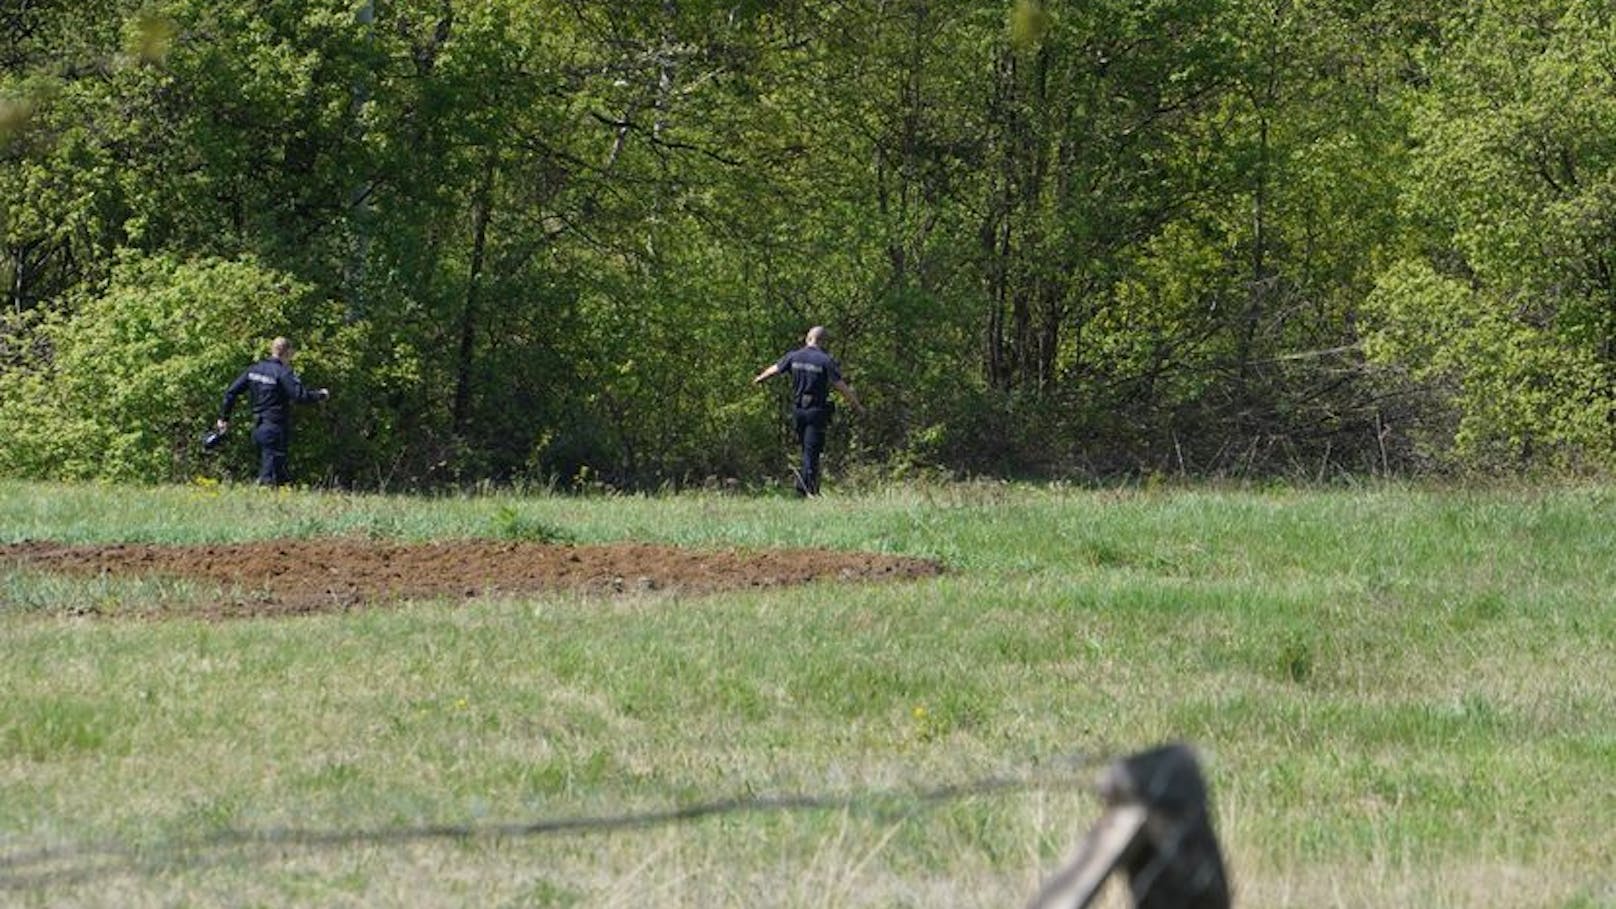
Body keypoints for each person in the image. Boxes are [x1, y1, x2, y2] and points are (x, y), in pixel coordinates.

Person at [752, 325, 863, 496]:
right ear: (823, 341)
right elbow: (841, 386)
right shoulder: (825, 360)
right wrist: (857, 405)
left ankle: (808, 488)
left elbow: (774, 369)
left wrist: (759, 379)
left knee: (806, 449)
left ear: (807, 338)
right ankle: (805, 491)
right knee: (812, 451)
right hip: (816, 411)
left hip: (798, 410)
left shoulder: (794, 356)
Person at [217, 337, 330, 486]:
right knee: (269, 476)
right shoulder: (283, 373)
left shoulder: (254, 369)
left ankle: (280, 501)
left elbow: (231, 393)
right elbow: (299, 396)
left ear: (272, 349)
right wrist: (320, 395)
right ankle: (262, 501)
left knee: (279, 472)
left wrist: (224, 418)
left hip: (258, 427)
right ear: (288, 352)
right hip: (275, 427)